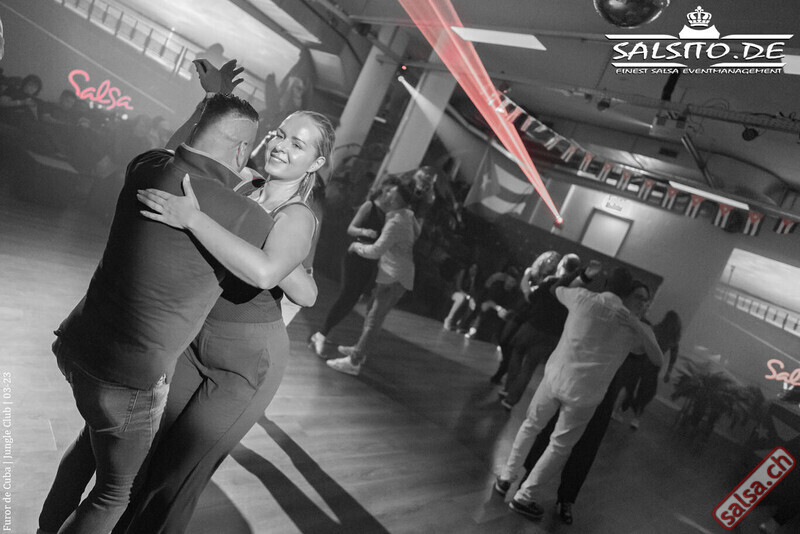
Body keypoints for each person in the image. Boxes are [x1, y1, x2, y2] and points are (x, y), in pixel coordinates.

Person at [37, 93, 275, 534]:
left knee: (89, 445)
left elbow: (174, 150)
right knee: (114, 493)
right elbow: (268, 273)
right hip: (128, 377)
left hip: (76, 345)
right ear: (243, 149)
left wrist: (204, 104)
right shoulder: (248, 216)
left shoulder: (147, 165)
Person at [112, 62, 331, 534]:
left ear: (314, 164)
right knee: (148, 457)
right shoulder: (244, 182)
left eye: (298, 144)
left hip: (246, 361)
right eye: (279, 134)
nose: (280, 145)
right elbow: (180, 160)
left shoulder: (298, 216)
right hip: (196, 340)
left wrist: (194, 219)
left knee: (175, 480)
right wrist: (210, 103)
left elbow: (268, 272)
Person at [493, 267, 664, 521]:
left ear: (606, 283)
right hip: (585, 395)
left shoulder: (582, 298)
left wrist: (584, 274)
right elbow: (658, 359)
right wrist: (637, 326)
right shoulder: (633, 326)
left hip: (555, 379)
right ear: (628, 293)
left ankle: (506, 478)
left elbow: (556, 289)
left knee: (530, 426)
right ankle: (525, 497)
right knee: (559, 446)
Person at [325, 178, 421, 376]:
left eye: (392, 192)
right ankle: (360, 351)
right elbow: (417, 232)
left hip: (394, 277)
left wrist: (356, 246)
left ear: (396, 199)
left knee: (373, 321)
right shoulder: (407, 214)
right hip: (395, 275)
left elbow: (376, 251)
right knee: (372, 314)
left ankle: (354, 362)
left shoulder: (395, 222)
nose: (388, 193)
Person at [308, 182, 392, 355]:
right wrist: (365, 232)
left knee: (352, 300)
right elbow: (351, 229)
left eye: (394, 192)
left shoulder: (390, 214)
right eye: (390, 190)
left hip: (371, 261)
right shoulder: (369, 206)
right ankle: (321, 335)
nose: (391, 195)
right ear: (383, 190)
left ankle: (324, 331)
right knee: (347, 296)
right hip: (355, 257)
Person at [500, 254, 582, 410]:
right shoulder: (576, 291)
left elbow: (531, 298)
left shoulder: (551, 281)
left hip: (533, 326)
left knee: (517, 353)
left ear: (562, 265)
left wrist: (526, 279)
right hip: (552, 335)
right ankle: (510, 400)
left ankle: (508, 389)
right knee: (529, 367)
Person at [489, 251, 561, 385]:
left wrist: (530, 289)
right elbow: (525, 288)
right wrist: (529, 289)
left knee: (512, 343)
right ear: (544, 258)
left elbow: (533, 294)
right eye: (550, 258)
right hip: (519, 308)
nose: (551, 261)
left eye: (555, 260)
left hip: (530, 314)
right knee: (504, 340)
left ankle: (502, 372)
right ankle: (504, 368)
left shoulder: (551, 279)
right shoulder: (532, 272)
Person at [615, 310, 681, 428]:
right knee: (646, 392)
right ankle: (636, 418)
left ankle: (617, 409)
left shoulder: (656, 329)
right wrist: (668, 372)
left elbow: (643, 340)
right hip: (654, 365)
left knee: (630, 385)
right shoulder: (673, 339)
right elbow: (673, 358)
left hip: (642, 359)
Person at [442, 262, 480, 331]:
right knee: (461, 298)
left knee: (472, 305)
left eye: (475, 269)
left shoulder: (474, 279)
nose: (473, 270)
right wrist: (468, 297)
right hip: (454, 292)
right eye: (472, 268)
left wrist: (473, 281)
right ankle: (449, 319)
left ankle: (461, 323)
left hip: (466, 296)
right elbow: (458, 287)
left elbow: (471, 292)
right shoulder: (463, 272)